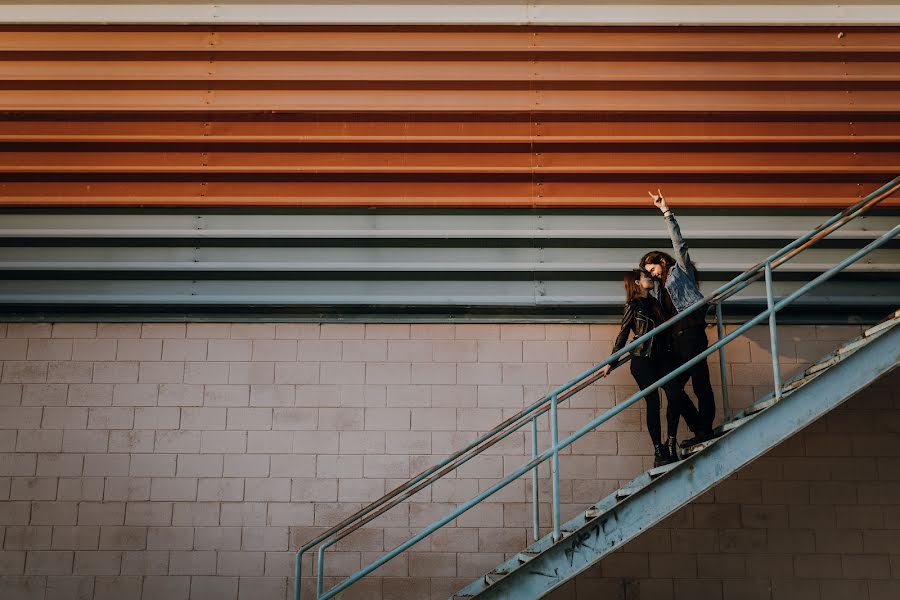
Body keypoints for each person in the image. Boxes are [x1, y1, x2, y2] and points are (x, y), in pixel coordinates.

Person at [640, 190, 716, 448]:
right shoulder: (660, 288)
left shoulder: (679, 270)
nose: (652, 274)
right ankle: (699, 427)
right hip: (677, 340)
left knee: (700, 381)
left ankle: (704, 429)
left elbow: (679, 244)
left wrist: (666, 212)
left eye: (653, 269)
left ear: (662, 261)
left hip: (692, 332)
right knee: (672, 387)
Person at [599, 268, 682, 466]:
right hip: (643, 360)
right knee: (653, 404)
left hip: (664, 358)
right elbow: (623, 333)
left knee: (675, 394)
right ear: (637, 283)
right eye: (646, 276)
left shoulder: (656, 303)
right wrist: (611, 362)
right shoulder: (633, 305)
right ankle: (658, 451)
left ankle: (671, 442)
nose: (651, 278)